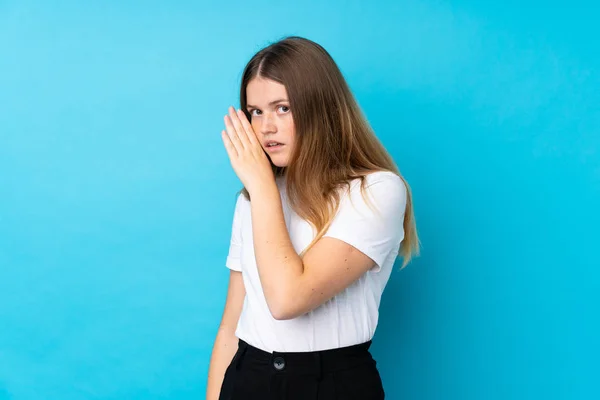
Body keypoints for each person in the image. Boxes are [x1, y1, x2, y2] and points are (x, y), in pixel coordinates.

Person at [206, 36, 420, 400]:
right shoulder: (254, 198)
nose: (266, 127)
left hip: (332, 384)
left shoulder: (377, 191)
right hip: (248, 377)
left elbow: (287, 299)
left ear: (321, 108)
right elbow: (232, 325)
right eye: (255, 111)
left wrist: (260, 185)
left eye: (283, 108)